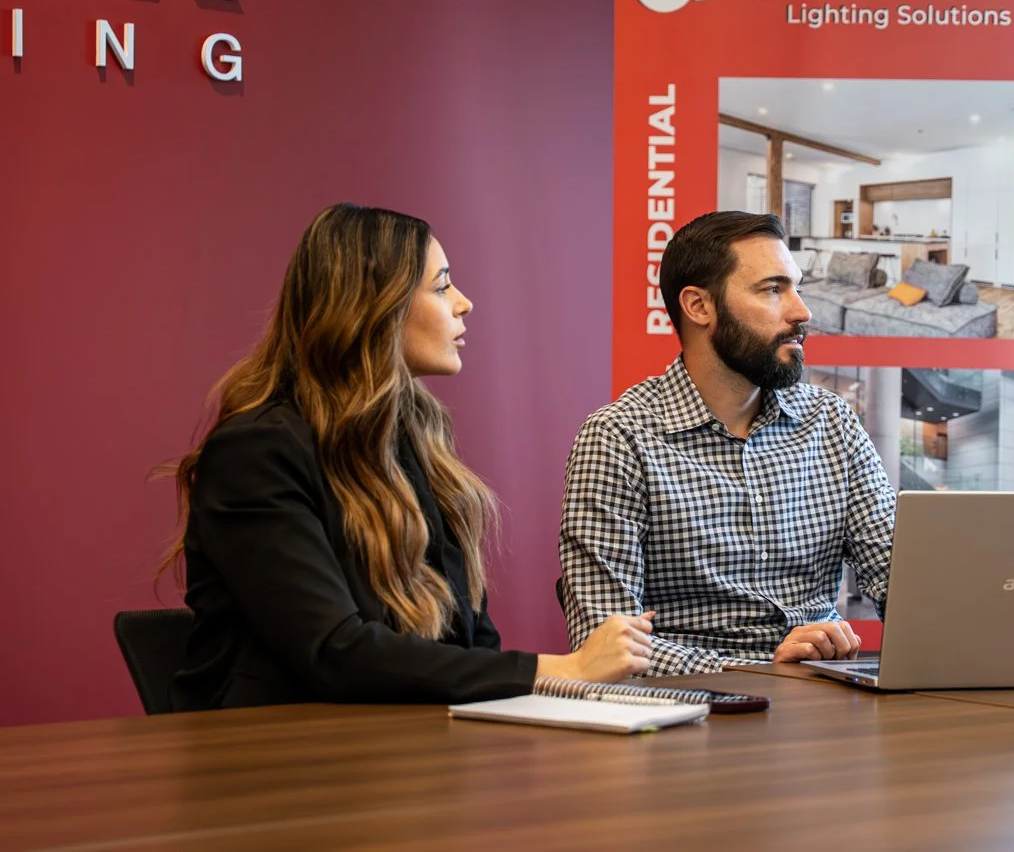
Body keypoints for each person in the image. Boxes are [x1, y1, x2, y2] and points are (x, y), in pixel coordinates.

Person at [163, 203, 651, 710]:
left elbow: (468, 644)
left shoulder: (414, 444)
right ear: (377, 308)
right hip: (268, 758)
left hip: (396, 747)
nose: (464, 304)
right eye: (442, 287)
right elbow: (334, 653)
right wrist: (562, 669)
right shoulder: (256, 450)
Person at [560, 211, 896, 675]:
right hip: (690, 717)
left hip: (824, 703)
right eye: (773, 289)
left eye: (796, 287)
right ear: (699, 307)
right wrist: (758, 670)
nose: (802, 311)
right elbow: (604, 639)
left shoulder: (831, 422)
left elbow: (902, 583)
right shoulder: (620, 438)